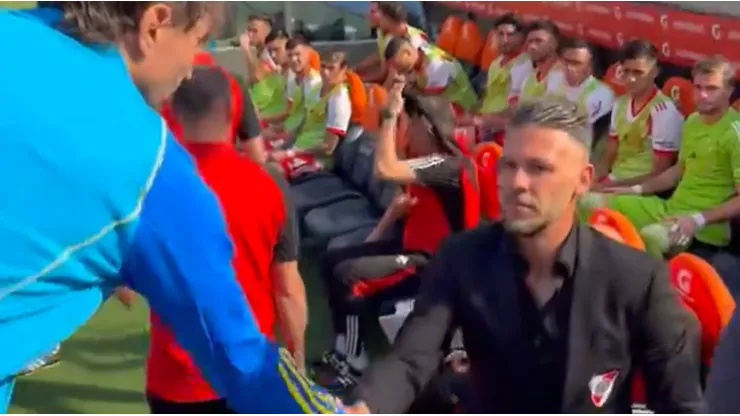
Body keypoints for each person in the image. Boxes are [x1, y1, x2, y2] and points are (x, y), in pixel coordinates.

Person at [0, 3, 340, 413]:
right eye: (196, 41)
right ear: (154, 24)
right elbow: (245, 364)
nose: (191, 67)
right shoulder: (151, 169)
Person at [341, 97, 704, 414]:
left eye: (538, 168)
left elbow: (680, 405)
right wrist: (365, 407)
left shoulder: (636, 279)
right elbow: (411, 359)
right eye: (509, 165)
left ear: (583, 179)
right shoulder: (461, 258)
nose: (517, 184)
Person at [146, 67, 307, 413]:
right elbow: (288, 290)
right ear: (234, 113)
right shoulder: (269, 185)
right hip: (250, 375)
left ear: (172, 111)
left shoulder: (151, 186)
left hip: (174, 382)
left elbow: (125, 287)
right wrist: (298, 361)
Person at [315, 88, 479, 391]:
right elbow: (400, 203)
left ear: (426, 125)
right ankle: (343, 346)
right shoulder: (422, 162)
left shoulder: (448, 165)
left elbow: (384, 168)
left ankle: (354, 361)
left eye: (409, 122)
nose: (405, 129)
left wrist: (389, 116)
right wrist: (372, 240)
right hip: (409, 248)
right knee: (332, 260)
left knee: (351, 276)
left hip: (435, 262)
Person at [584, 56, 740, 259]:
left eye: (711, 89)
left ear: (728, 91)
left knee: (653, 237)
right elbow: (678, 171)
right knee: (588, 202)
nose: (702, 95)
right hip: (669, 209)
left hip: (703, 227)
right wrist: (634, 190)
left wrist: (697, 220)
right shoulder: (692, 121)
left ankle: (648, 289)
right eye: (698, 87)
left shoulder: (734, 132)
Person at [594, 40, 683, 190]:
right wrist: (596, 178)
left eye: (638, 72)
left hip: (638, 189)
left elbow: (659, 172)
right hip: (614, 179)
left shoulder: (663, 111)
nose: (631, 79)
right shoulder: (620, 103)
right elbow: (610, 151)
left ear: (654, 72)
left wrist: (610, 186)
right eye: (626, 71)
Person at [269, 50, 353, 180]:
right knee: (258, 158)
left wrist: (291, 152)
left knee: (270, 171)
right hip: (298, 149)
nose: (325, 72)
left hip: (316, 160)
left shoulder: (338, 98)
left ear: (343, 69)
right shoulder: (316, 89)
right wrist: (282, 144)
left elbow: (328, 147)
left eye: (331, 68)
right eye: (323, 66)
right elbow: (303, 124)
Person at [471, 13, 530, 144]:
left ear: (521, 37)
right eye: (500, 34)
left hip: (504, 132)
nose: (505, 40)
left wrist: (489, 120)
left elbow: (518, 108)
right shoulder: (495, 63)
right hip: (485, 127)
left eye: (510, 35)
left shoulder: (524, 64)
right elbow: (488, 96)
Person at [383, 36, 478, 117]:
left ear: (407, 53)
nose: (397, 71)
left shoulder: (435, 66)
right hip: (446, 110)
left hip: (463, 111)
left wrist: (404, 90)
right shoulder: (419, 51)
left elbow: (429, 99)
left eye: (397, 65)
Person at [546, 38, 614, 141]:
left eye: (576, 63)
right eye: (566, 61)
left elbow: (587, 132)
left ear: (589, 67)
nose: (569, 67)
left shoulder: (602, 94)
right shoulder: (553, 78)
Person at [262, 37, 322, 145]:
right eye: (290, 55)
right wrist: (274, 129)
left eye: (298, 54)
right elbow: (291, 114)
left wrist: (277, 136)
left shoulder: (314, 83)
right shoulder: (292, 79)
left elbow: (306, 122)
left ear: (308, 53)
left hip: (306, 143)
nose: (294, 59)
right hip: (290, 135)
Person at [519, 19, 561, 102]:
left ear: (554, 44)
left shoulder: (565, 76)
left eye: (538, 41)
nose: (532, 46)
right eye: (529, 41)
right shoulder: (529, 78)